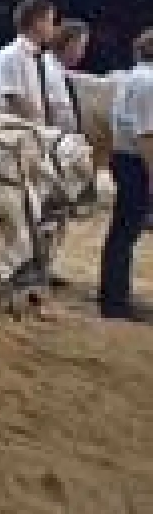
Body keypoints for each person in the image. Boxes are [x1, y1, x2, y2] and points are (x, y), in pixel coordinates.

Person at [98, 28, 153, 322]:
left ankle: (115, 297)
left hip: (125, 158)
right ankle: (115, 303)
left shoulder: (133, 77)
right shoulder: (149, 82)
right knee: (125, 233)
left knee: (123, 232)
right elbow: (147, 134)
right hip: (136, 161)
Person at [0, 0, 60, 124]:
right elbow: (13, 100)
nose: (53, 28)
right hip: (17, 135)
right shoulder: (9, 56)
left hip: (42, 135)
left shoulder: (44, 60)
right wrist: (43, 129)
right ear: (37, 23)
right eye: (51, 21)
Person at [40, 18, 90, 133]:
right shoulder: (47, 70)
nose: (83, 52)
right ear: (70, 43)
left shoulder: (58, 69)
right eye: (82, 46)